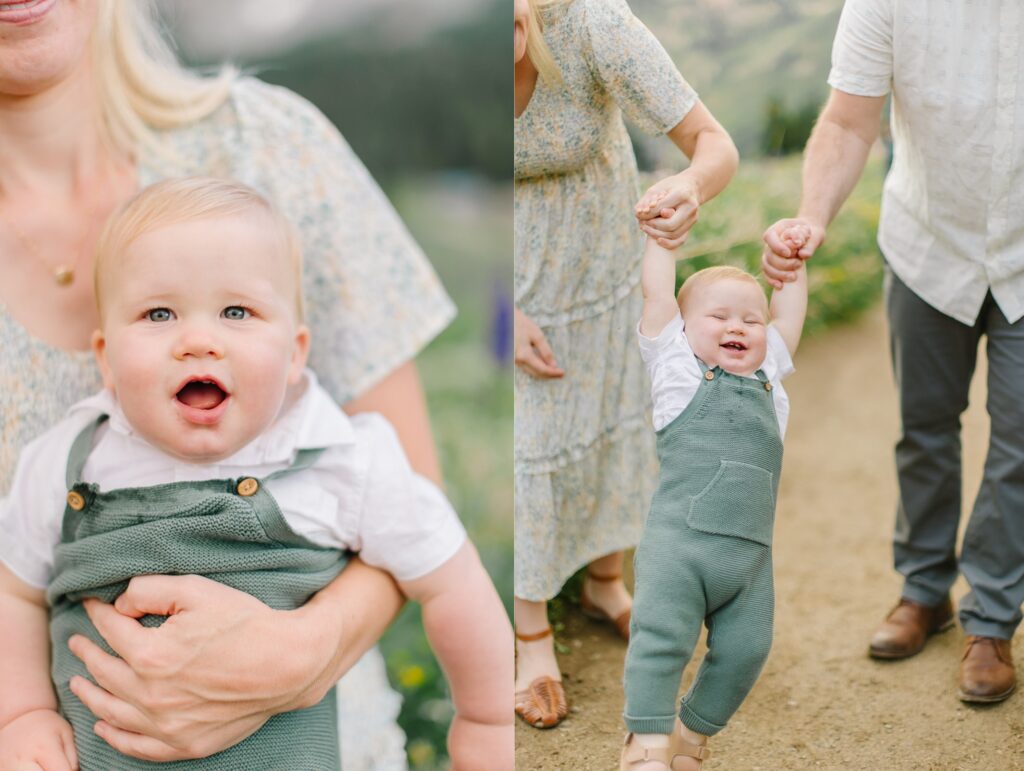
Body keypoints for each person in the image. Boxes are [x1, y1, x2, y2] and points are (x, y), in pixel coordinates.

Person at [0, 1, 458, 765]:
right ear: (105, 354)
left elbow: (414, 499)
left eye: (238, 311)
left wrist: (307, 648)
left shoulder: (271, 144)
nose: (199, 340)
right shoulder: (63, 466)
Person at [762, 0, 1024, 704]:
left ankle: (992, 618)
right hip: (928, 245)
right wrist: (811, 218)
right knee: (926, 427)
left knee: (1022, 443)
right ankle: (924, 588)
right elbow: (850, 120)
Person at [513, 0, 738, 729]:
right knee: (529, 457)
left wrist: (687, 187)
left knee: (622, 430)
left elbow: (713, 142)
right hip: (506, 293)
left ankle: (605, 582)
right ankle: (530, 637)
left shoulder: (595, 26)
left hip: (612, 279)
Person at [618, 227, 807, 771]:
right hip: (678, 548)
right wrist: (663, 241)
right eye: (719, 316)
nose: (737, 326)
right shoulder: (675, 369)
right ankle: (646, 743)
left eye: (750, 319)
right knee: (660, 642)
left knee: (748, 649)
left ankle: (690, 732)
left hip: (749, 560)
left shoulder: (769, 373)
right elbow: (658, 295)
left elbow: (787, 316)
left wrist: (792, 265)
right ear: (682, 329)